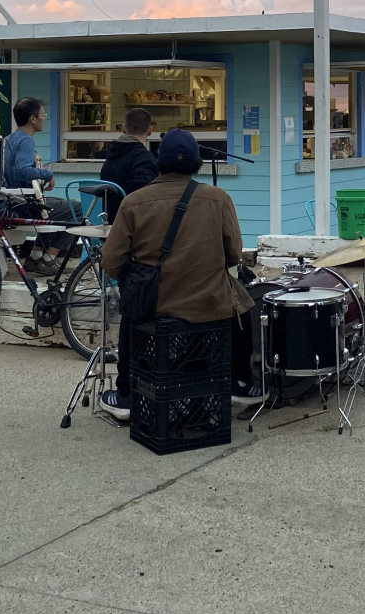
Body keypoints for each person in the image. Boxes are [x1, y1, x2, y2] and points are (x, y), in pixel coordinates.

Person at [99, 128, 251, 422]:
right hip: (209, 305)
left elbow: (111, 261)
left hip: (155, 306)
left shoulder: (133, 202)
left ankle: (127, 395)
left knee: (134, 304)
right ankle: (239, 382)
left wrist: (138, 277)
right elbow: (234, 254)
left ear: (159, 161)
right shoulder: (219, 199)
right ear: (197, 164)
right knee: (243, 299)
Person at [4, 97, 80, 273]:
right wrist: (48, 174)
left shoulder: (10, 138)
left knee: (58, 209)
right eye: (42, 114)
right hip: (25, 204)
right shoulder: (26, 140)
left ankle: (36, 257)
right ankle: (49, 258)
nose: (44, 118)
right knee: (75, 208)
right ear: (32, 118)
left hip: (13, 202)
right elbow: (22, 170)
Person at [99, 107, 158, 221]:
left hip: (109, 222)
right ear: (150, 130)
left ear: (123, 128)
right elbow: (144, 196)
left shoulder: (111, 157)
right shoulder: (144, 158)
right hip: (132, 226)